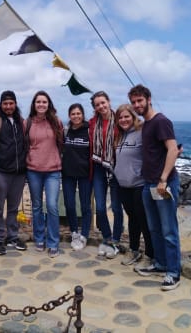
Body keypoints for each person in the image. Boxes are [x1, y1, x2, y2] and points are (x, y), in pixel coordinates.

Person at [128, 84, 181, 291]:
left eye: (139, 100)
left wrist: (164, 179)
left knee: (168, 230)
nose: (136, 105)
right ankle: (160, 264)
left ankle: (174, 273)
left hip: (161, 183)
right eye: (133, 102)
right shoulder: (146, 124)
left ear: (149, 99)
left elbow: (172, 150)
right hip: (148, 183)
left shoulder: (161, 121)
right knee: (154, 228)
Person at [0, 91, 28, 255]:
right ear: (1, 104)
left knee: (13, 208)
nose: (8, 106)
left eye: (11, 103)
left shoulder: (20, 121)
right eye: (5, 103)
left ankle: (12, 237)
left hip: (19, 172)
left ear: (15, 103)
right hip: (2, 171)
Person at [112, 104, 153, 267]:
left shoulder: (142, 132)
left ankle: (150, 255)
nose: (123, 120)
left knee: (144, 220)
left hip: (139, 184)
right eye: (120, 117)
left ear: (134, 117)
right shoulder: (120, 136)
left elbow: (154, 150)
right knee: (133, 219)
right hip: (123, 185)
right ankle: (134, 250)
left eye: (126, 116)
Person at [25, 90, 63, 258]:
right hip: (33, 169)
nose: (41, 104)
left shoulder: (56, 122)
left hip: (53, 170)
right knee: (37, 206)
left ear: (49, 105)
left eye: (44, 102)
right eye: (38, 102)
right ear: (34, 104)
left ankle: (53, 241)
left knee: (53, 206)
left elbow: (62, 143)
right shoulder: (27, 123)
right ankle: (39, 238)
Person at [88, 91, 123, 258]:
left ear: (109, 101)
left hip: (116, 168)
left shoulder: (120, 120)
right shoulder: (92, 123)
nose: (101, 106)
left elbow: (137, 132)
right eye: (97, 104)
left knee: (116, 207)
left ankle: (115, 240)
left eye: (103, 102)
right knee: (100, 208)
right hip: (98, 167)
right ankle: (107, 238)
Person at [61, 103, 92, 251]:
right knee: (70, 204)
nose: (76, 116)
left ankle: (84, 234)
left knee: (85, 206)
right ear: (69, 116)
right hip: (68, 174)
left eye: (78, 113)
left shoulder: (89, 130)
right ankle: (74, 232)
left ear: (83, 114)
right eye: (73, 114)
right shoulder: (65, 131)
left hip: (85, 174)